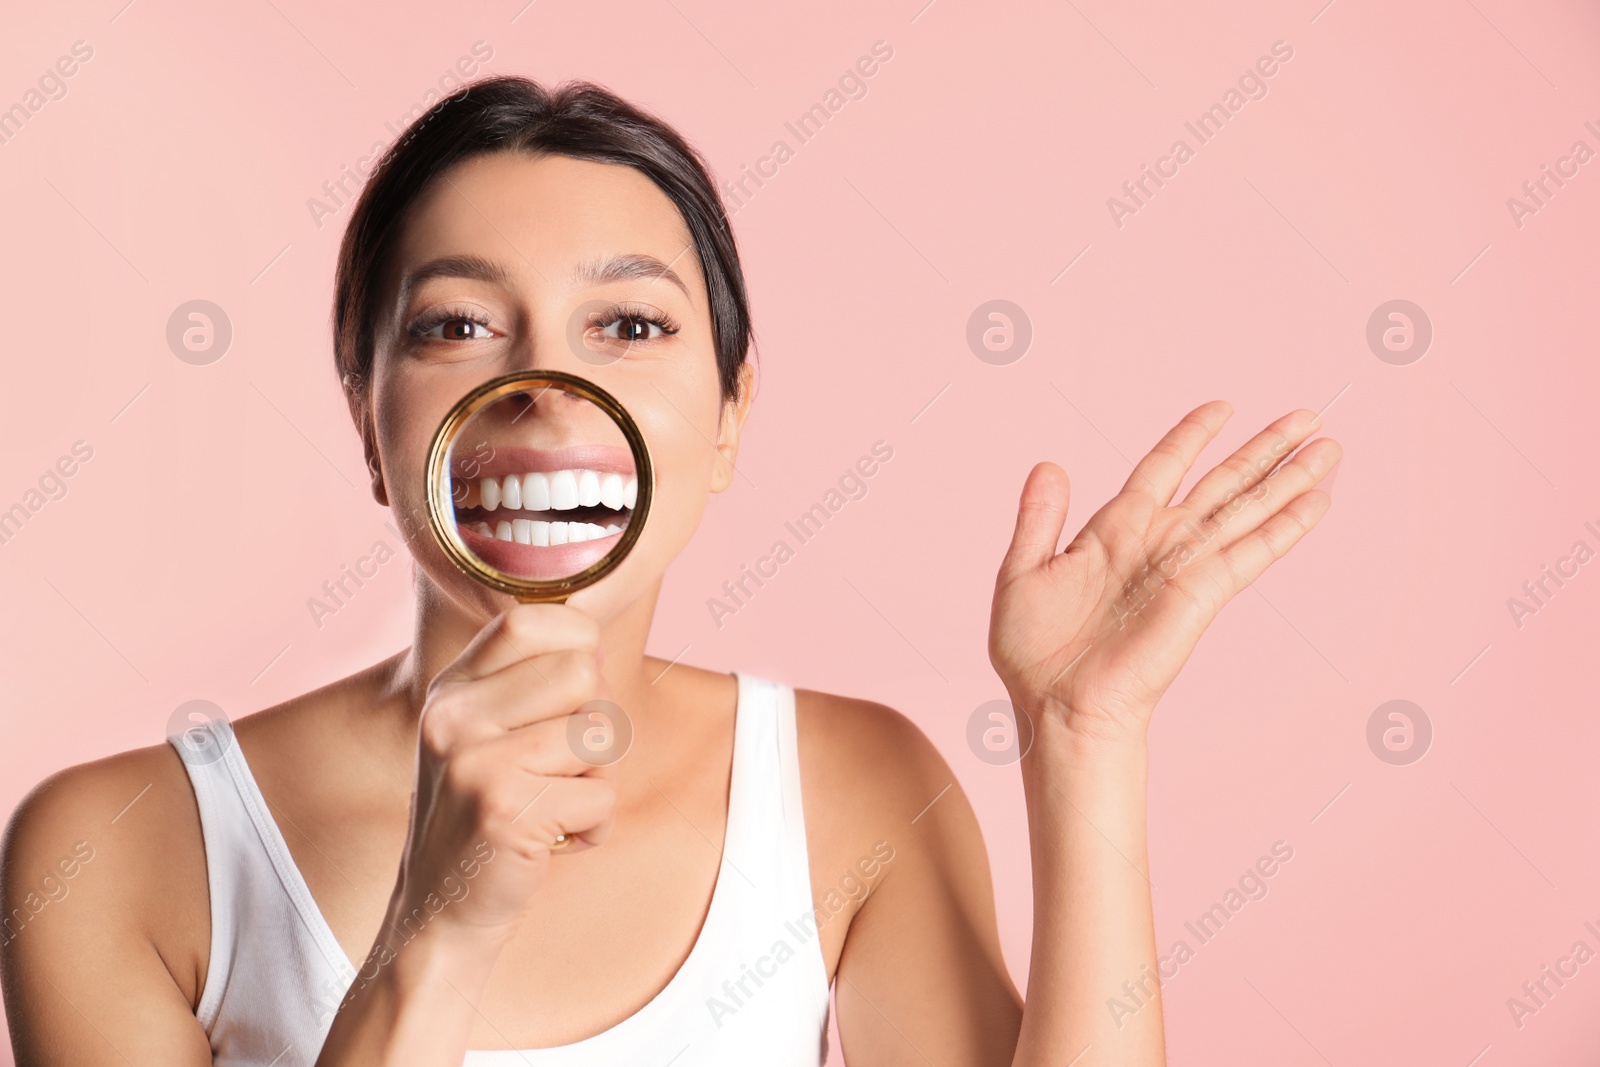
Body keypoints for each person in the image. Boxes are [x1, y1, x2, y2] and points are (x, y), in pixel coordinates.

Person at [0, 75, 1340, 1066]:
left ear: (730, 421)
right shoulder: (115, 851)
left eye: (629, 323)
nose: (547, 387)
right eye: (459, 325)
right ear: (368, 416)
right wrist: (437, 931)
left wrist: (1083, 738)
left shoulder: (856, 788)